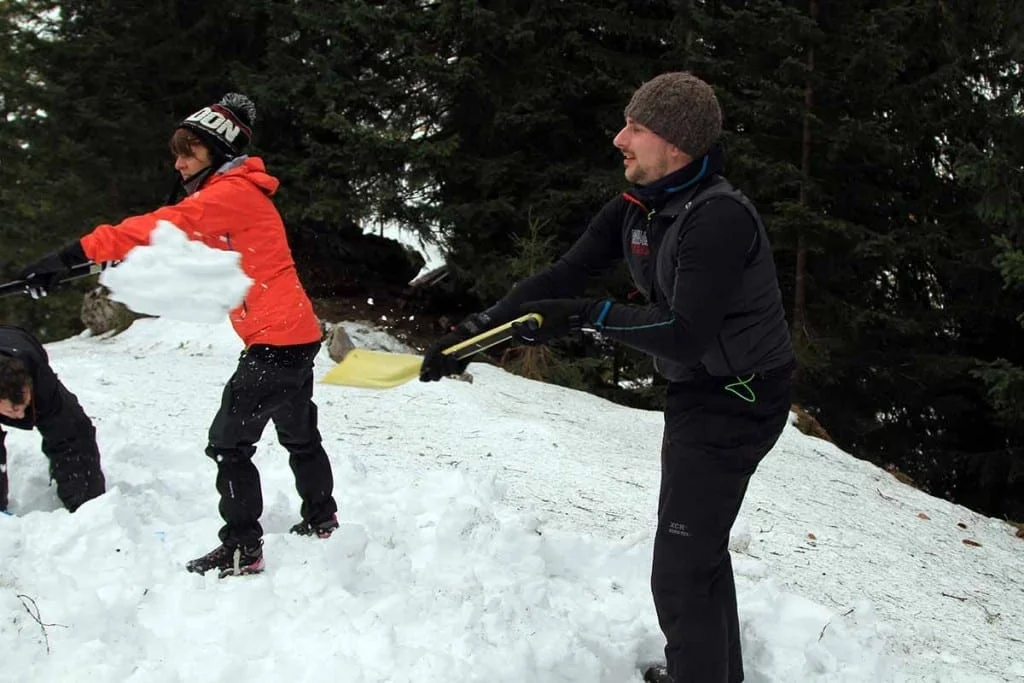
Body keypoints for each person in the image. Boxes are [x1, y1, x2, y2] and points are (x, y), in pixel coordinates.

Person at [419, 72, 795, 683]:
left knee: (679, 564)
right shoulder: (639, 207)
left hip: (740, 396)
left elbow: (684, 332)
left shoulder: (717, 218)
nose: (619, 138)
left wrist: (588, 318)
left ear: (676, 144)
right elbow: (561, 278)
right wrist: (477, 331)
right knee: (697, 551)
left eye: (636, 128)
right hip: (702, 390)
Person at [17, 93, 339, 578]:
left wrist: (67, 255)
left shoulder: (231, 194)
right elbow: (178, 244)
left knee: (229, 445)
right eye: (178, 149)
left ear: (220, 153)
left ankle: (242, 548)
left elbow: (159, 228)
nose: (179, 161)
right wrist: (93, 261)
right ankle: (321, 520)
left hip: (276, 341)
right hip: (292, 335)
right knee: (300, 435)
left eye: (190, 151)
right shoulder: (238, 196)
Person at [0, 325, 105, 513]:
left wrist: (87, 509)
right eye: (12, 411)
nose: (21, 416)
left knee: (74, 429)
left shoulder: (41, 383)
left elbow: (72, 440)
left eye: (24, 406)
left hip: (16, 342)